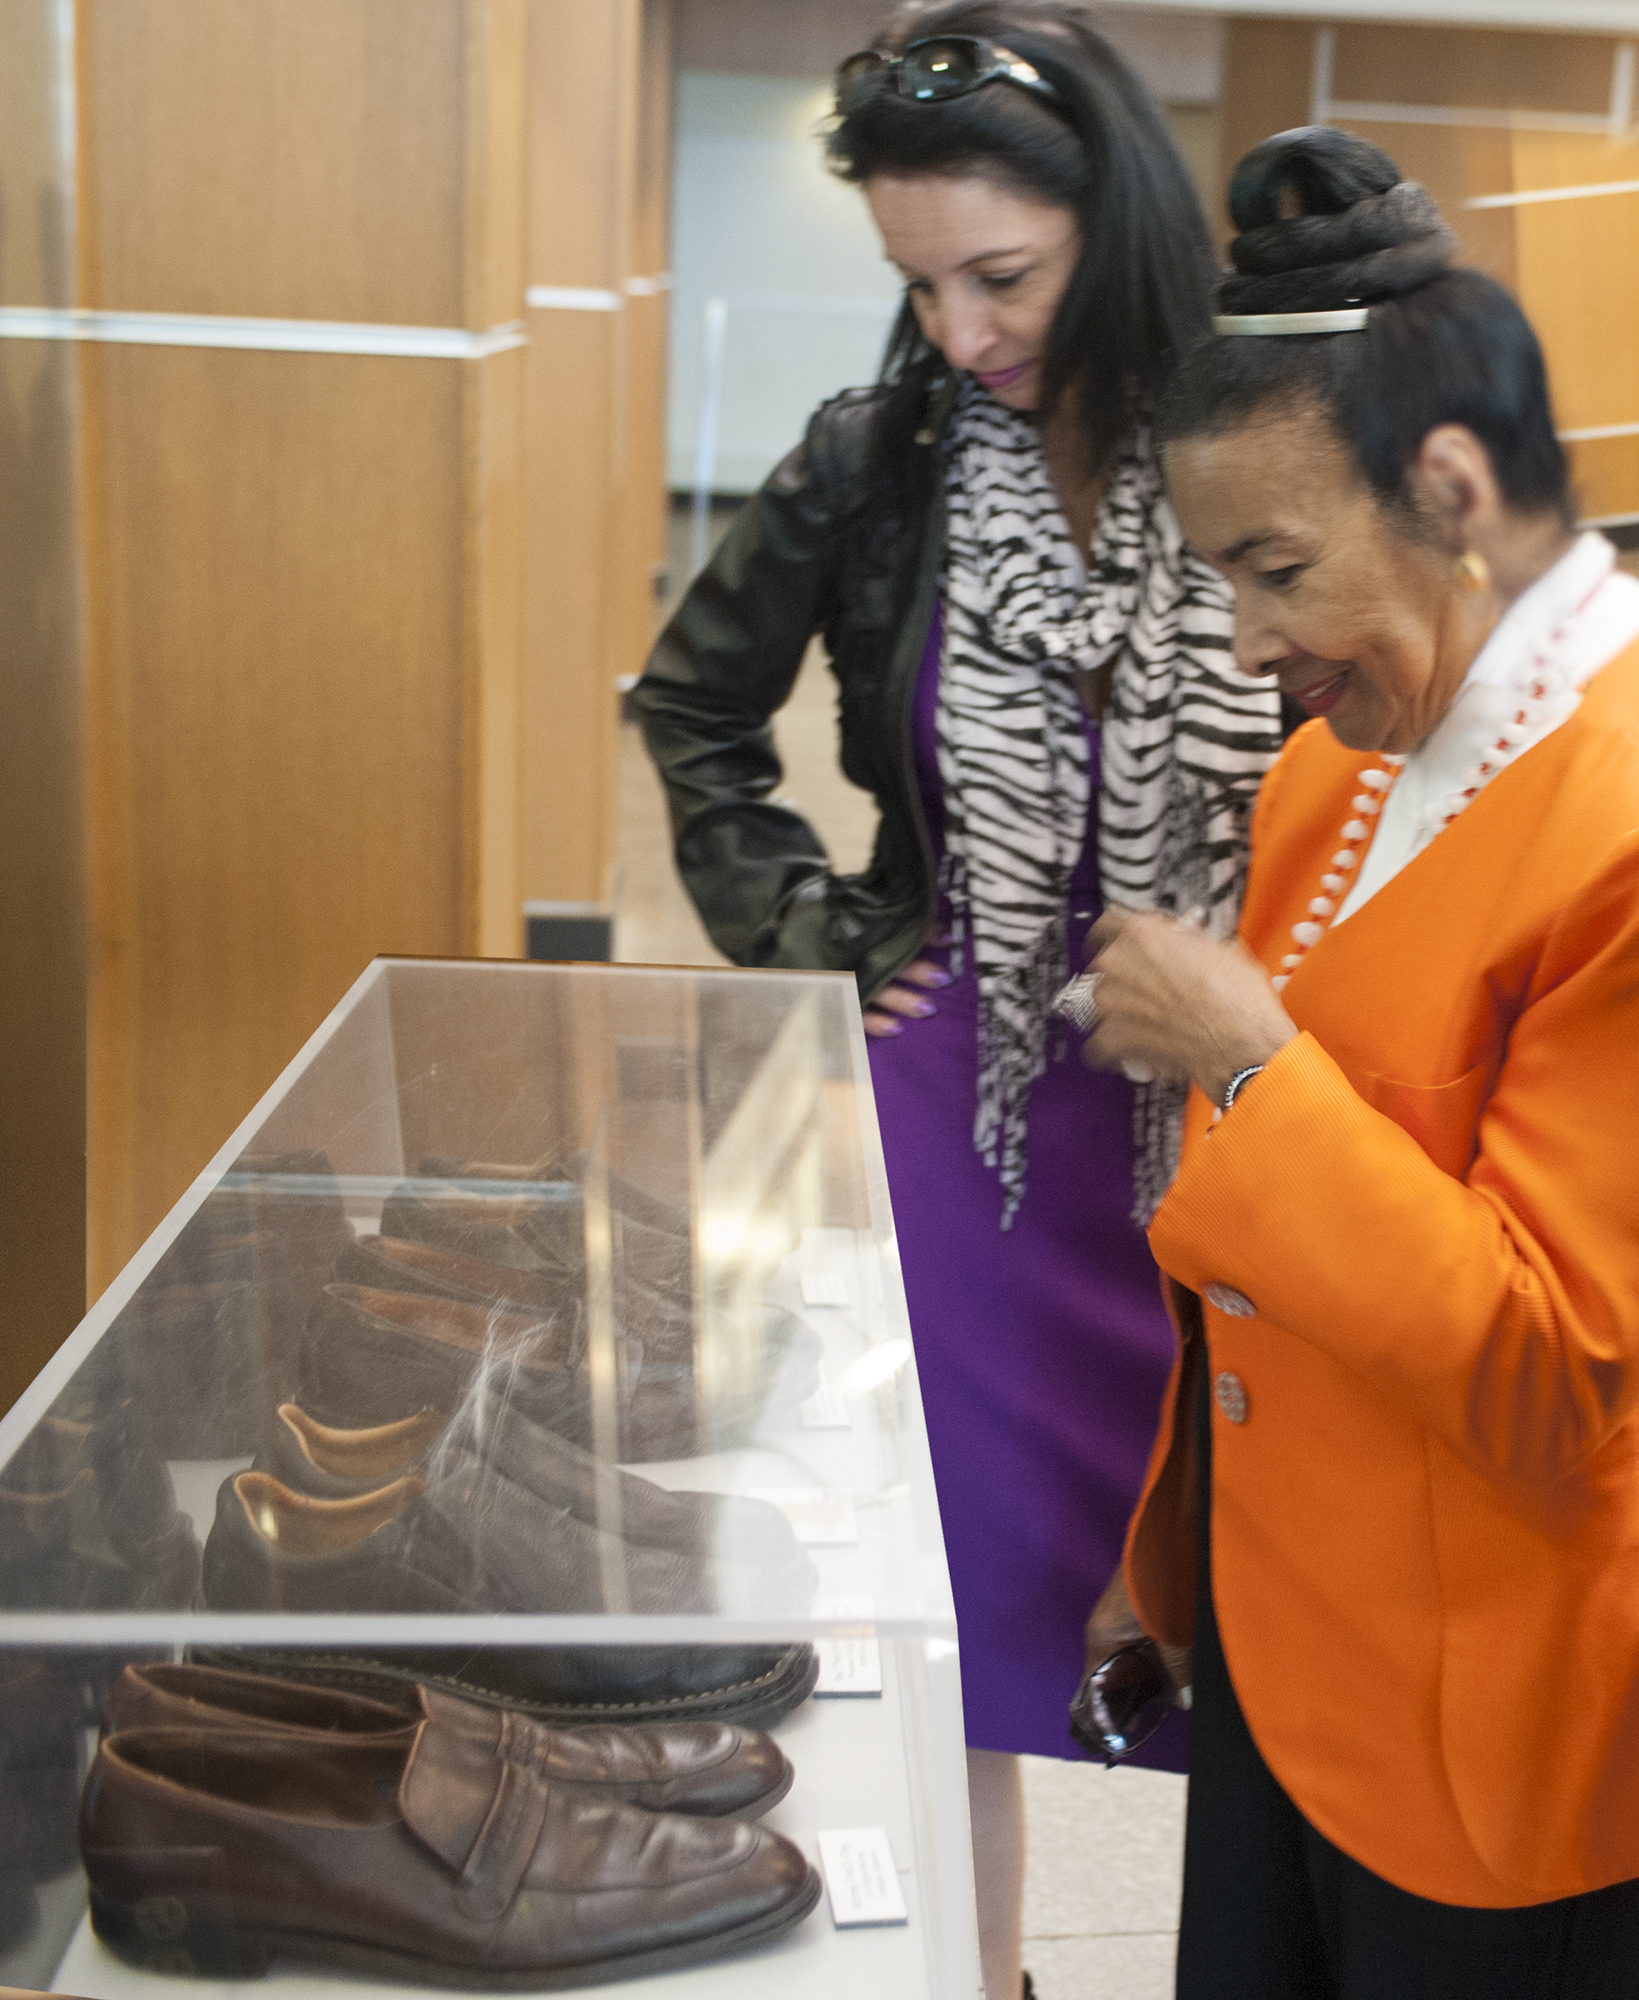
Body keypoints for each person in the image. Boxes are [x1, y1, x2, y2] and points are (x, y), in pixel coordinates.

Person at [633, 5, 1281, 1990]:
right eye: (919, 284)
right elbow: (689, 709)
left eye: (998, 274)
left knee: (1254, 1625)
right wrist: (821, 937)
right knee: (971, 1621)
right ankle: (983, 1971)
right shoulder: (880, 458)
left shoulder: (1272, 439)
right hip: (973, 1133)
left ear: (1116, 223)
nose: (960, 330)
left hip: (1255, 1124)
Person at [1076, 125, 1639, 1996]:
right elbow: (1279, 1266)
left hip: (1491, 1733)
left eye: (1277, 569)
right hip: (1281, 1644)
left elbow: (1556, 1366)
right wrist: (1175, 1557)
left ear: (1456, 492)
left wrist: (1247, 1061)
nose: (1247, 647)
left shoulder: (1619, 826)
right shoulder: (1344, 752)